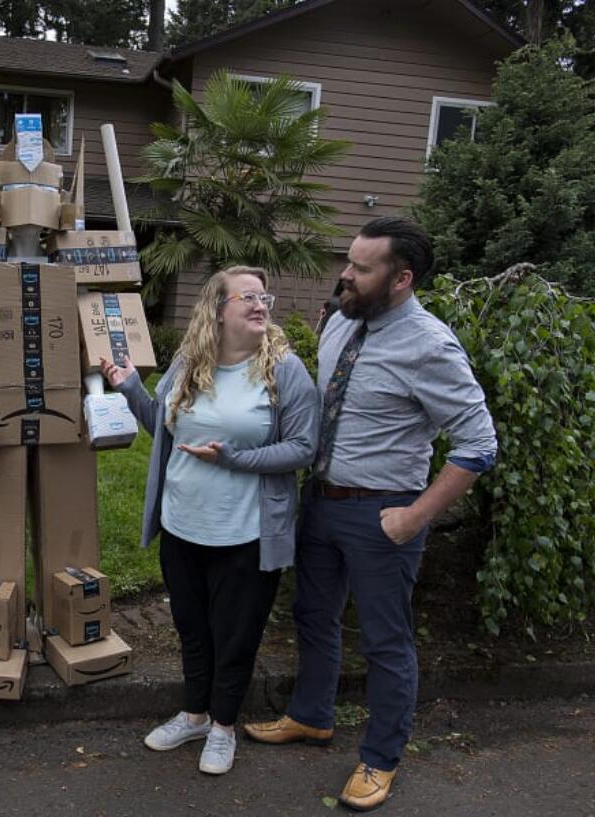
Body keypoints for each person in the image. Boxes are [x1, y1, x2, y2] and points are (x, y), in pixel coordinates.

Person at [243, 217, 497, 811]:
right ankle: (311, 716)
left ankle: (381, 758)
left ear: (401, 278)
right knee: (313, 616)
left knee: (385, 641)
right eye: (348, 261)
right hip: (322, 502)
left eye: (361, 267)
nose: (345, 274)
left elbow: (479, 444)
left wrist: (414, 518)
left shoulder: (431, 345)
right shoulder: (341, 322)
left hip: (384, 514)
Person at [101, 266, 319, 776]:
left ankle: (223, 727)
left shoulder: (283, 371)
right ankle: (195, 715)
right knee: (192, 629)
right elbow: (167, 428)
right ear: (217, 309)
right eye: (247, 297)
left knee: (235, 635)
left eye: (264, 296)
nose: (260, 303)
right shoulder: (187, 363)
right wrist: (133, 388)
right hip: (182, 527)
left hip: (245, 534)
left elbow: (305, 447)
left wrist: (235, 459)